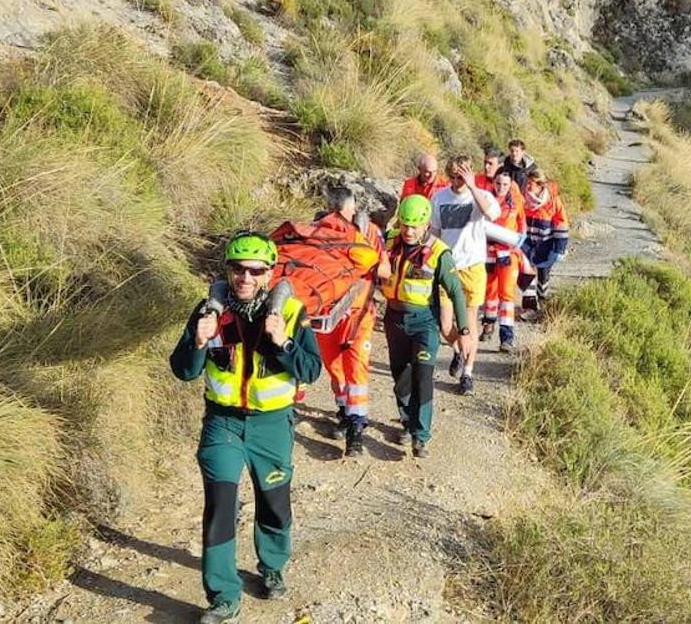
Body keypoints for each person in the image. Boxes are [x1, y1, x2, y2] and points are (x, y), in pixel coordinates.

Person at [170, 232, 323, 624]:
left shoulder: (291, 312)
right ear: (228, 270)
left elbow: (310, 370)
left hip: (271, 426)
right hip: (222, 423)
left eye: (255, 270)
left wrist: (283, 341)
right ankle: (222, 596)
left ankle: (271, 566)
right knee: (220, 505)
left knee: (273, 501)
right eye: (238, 269)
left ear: (270, 273)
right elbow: (184, 370)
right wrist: (198, 341)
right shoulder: (209, 312)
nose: (245, 277)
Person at [381, 195, 472, 457]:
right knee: (401, 377)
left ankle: (419, 436)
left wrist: (463, 331)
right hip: (394, 319)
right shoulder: (388, 241)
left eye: (414, 226)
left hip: (424, 322)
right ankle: (407, 420)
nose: (408, 231)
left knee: (422, 376)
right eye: (404, 224)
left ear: (426, 225)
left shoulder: (439, 252)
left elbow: (456, 292)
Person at [315, 187, 390, 458]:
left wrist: (363, 257)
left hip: (359, 315)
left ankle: (356, 430)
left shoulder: (370, 232)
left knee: (356, 369)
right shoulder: (318, 232)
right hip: (328, 315)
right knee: (335, 369)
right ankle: (345, 411)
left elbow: (385, 271)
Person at [430, 154, 499, 395]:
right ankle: (459, 350)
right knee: (446, 325)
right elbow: (435, 232)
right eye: (453, 176)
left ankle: (467, 374)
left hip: (473, 267)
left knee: (469, 324)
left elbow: (492, 214)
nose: (457, 181)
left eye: (461, 176)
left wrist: (472, 186)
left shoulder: (481, 196)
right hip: (448, 267)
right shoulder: (439, 198)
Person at [482, 171, 526, 352]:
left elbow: (522, 226)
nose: (501, 188)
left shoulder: (516, 202)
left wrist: (520, 243)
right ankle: (488, 325)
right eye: (498, 184)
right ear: (493, 183)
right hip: (488, 252)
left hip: (508, 253)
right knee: (489, 293)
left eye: (505, 185)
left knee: (507, 294)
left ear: (510, 185)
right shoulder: (485, 200)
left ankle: (506, 337)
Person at [520, 168, 569, 314]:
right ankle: (529, 307)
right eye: (527, 183)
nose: (528, 186)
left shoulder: (553, 201)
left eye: (532, 183)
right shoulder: (522, 198)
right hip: (526, 243)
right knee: (526, 273)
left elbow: (561, 222)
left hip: (545, 243)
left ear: (540, 185)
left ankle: (542, 301)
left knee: (543, 273)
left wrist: (559, 248)